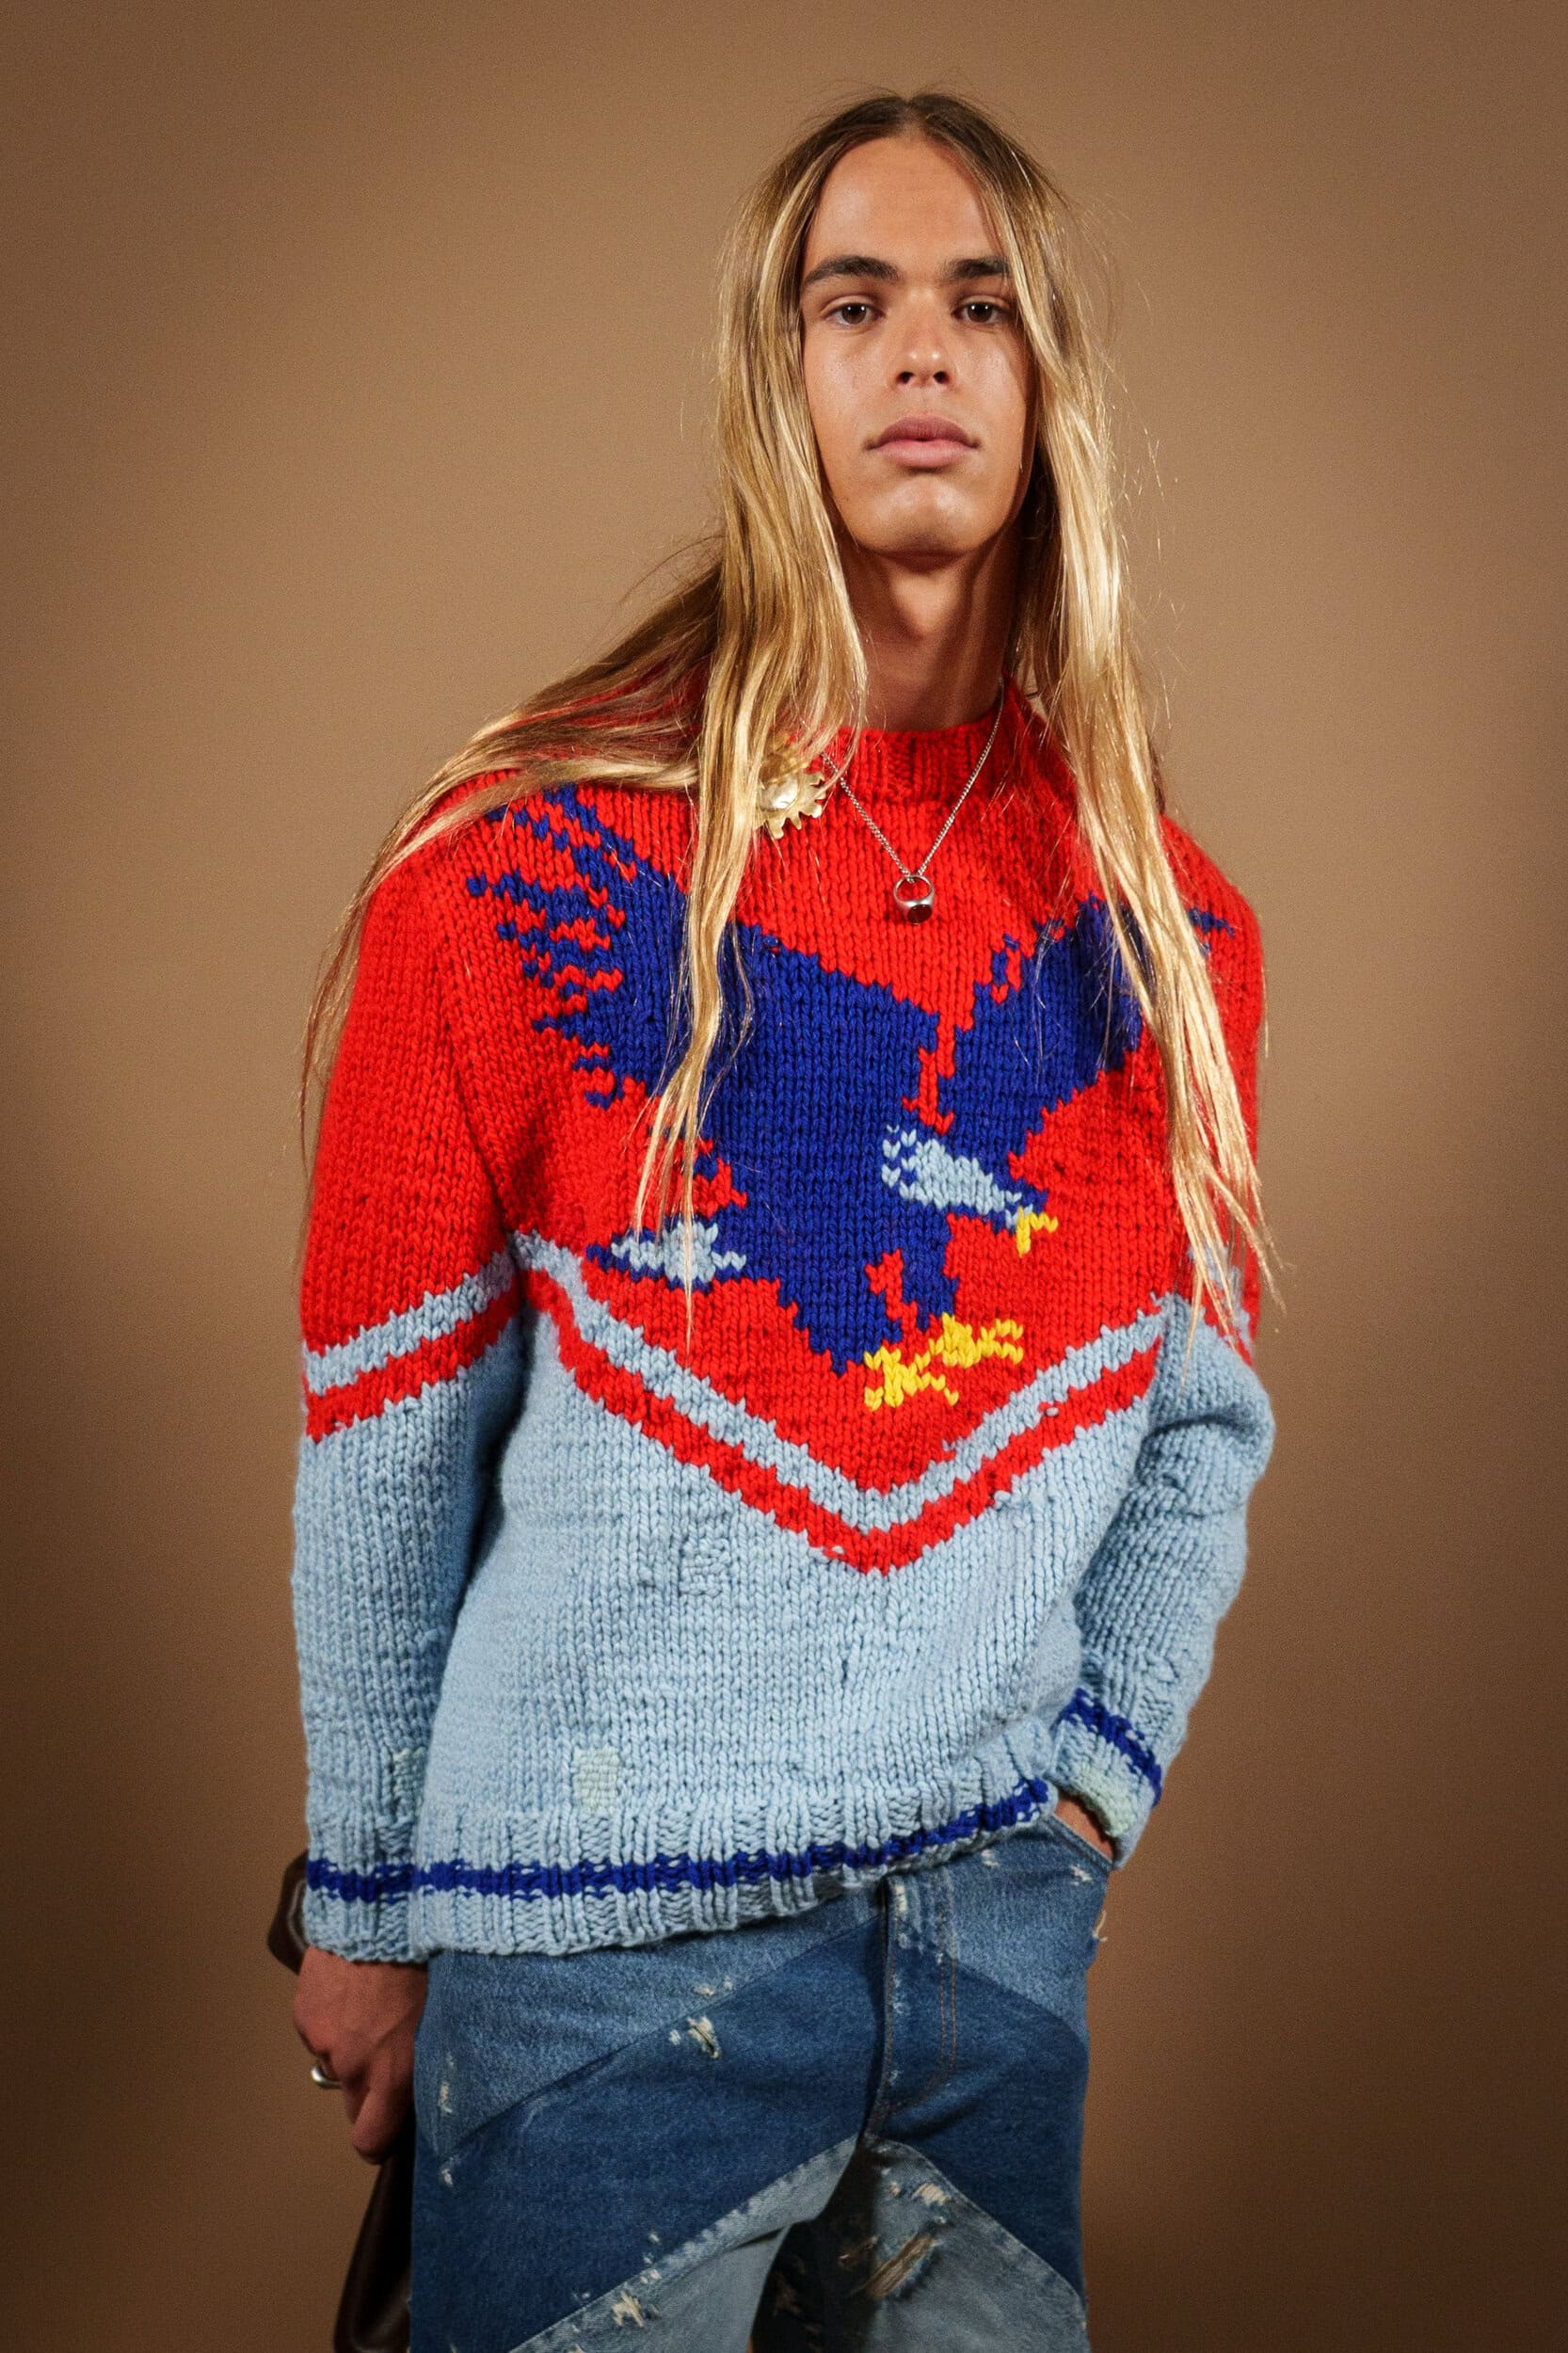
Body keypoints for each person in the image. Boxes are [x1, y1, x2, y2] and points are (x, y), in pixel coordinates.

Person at [287, 86, 1279, 2353]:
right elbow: (387, 1430)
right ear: (777, 370)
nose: (919, 351)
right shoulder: (515, 862)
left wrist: (1081, 1801)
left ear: (1046, 381)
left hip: (984, 1977)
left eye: (981, 306)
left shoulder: (1165, 930)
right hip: (594, 1970)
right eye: (854, 303)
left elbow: (1195, 1423)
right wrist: (362, 1895)